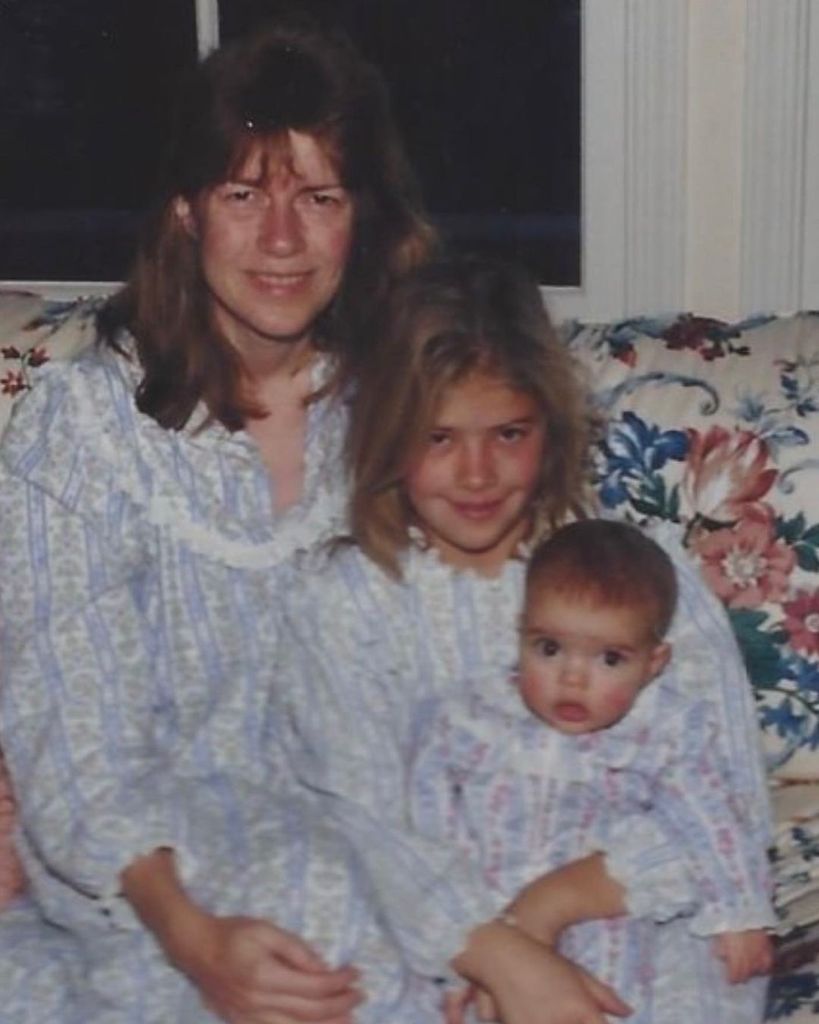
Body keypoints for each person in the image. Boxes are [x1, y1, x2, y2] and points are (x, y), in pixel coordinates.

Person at [0, 17, 435, 1024]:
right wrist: (197, 943)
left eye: (318, 198)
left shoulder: (413, 407)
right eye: (244, 195)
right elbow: (78, 736)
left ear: (360, 219)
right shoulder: (83, 427)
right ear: (189, 211)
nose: (280, 241)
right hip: (147, 886)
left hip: (355, 863)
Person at [275, 254, 776, 1023]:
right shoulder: (343, 601)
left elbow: (724, 813)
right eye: (437, 438)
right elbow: (365, 828)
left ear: (551, 424)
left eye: (508, 433)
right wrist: (495, 952)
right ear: (384, 437)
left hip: (636, 928)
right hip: (439, 941)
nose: (476, 474)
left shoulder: (634, 577)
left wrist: (547, 908)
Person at [408, 518, 773, 1022]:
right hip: (489, 909)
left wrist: (738, 909)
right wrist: (456, 932)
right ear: (520, 636)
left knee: (615, 1002)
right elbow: (429, 825)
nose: (573, 678)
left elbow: (714, 821)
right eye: (549, 648)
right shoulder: (469, 718)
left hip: (606, 918)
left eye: (610, 658)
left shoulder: (662, 730)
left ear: (653, 663)